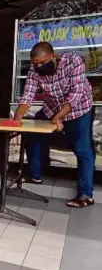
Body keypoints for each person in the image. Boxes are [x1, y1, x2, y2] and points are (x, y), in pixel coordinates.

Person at [14, 41, 95, 208]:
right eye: (36, 64)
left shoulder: (73, 61)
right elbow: (27, 97)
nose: (39, 66)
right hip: (52, 109)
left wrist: (58, 119)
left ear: (53, 56)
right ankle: (34, 175)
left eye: (43, 62)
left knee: (83, 149)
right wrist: (16, 119)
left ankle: (86, 194)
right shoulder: (34, 71)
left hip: (79, 109)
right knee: (31, 132)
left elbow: (75, 95)